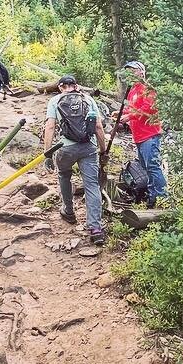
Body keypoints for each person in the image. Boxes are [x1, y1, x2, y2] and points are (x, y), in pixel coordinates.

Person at [43, 74, 108, 245]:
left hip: (66, 148)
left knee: (64, 175)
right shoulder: (87, 99)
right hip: (88, 147)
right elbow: (99, 126)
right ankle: (95, 228)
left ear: (60, 87)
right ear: (76, 86)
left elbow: (50, 126)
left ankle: (68, 211)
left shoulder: (55, 101)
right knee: (92, 185)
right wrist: (103, 150)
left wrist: (48, 153)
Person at [121, 60, 168, 208]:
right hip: (139, 136)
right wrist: (121, 113)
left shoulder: (148, 89)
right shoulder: (133, 90)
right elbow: (133, 109)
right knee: (145, 167)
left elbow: (148, 109)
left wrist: (129, 117)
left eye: (133, 70)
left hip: (150, 134)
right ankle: (151, 195)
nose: (131, 74)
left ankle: (162, 197)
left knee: (152, 166)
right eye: (129, 71)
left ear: (141, 72)